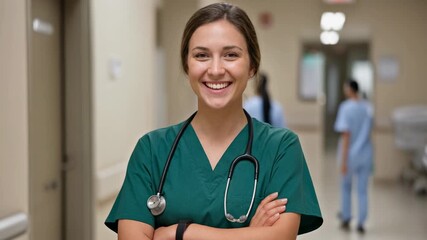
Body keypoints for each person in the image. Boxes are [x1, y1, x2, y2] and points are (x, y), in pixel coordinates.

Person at [105, 3, 322, 240]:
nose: (216, 69)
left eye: (231, 55)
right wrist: (249, 234)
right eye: (201, 55)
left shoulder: (281, 148)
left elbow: (280, 236)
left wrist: (180, 232)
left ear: (252, 66)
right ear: (187, 65)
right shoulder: (151, 150)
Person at [334, 80, 373, 234]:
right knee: (362, 189)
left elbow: (346, 135)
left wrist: (344, 161)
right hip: (365, 154)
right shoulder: (367, 108)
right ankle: (361, 222)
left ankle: (346, 217)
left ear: (350, 89)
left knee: (346, 187)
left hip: (349, 154)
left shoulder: (346, 108)